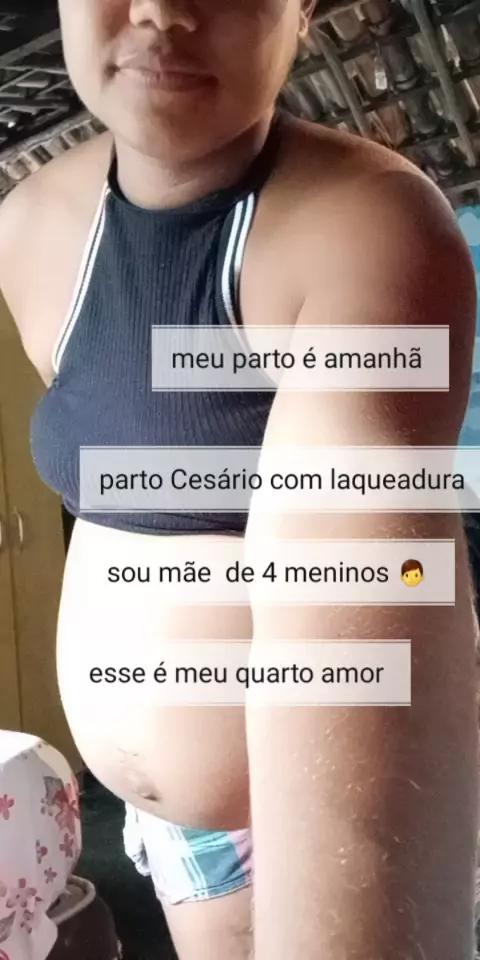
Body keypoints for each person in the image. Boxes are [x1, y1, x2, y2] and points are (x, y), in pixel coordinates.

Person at [0, 1, 478, 958]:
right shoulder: (29, 224)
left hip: (325, 797)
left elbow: (357, 624)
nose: (163, 11)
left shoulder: (364, 228)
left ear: (302, 9)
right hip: (173, 825)